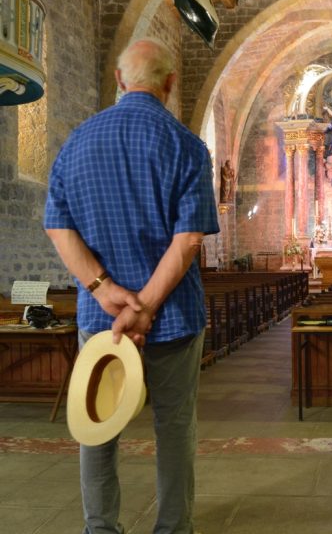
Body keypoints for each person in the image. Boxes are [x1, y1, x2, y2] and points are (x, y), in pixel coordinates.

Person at [44, 37, 219, 534]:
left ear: (120, 80)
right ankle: (172, 527)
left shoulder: (77, 141)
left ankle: (100, 528)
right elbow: (187, 242)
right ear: (169, 83)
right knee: (174, 431)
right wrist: (144, 307)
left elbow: (58, 226)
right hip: (174, 320)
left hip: (100, 322)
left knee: (96, 432)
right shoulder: (187, 146)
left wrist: (102, 290)